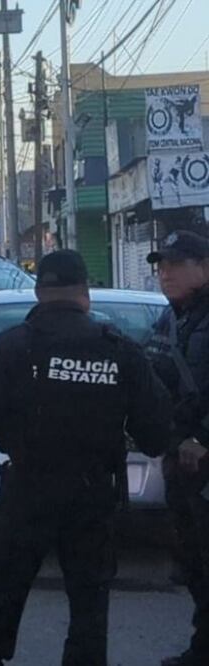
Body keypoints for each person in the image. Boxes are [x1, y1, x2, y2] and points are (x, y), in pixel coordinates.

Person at [0, 249, 172, 666]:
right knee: (89, 607)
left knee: (1, 600)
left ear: (39, 292)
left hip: (26, 491)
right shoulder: (121, 351)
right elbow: (156, 435)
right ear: (85, 293)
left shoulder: (12, 347)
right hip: (91, 496)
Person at [145, 231, 209, 666]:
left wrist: (203, 437)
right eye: (160, 265)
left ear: (204, 266)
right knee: (194, 564)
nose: (164, 272)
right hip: (181, 464)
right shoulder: (171, 319)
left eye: (174, 263)